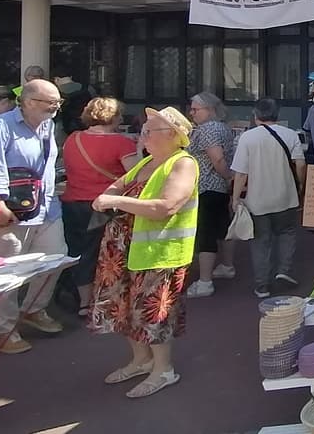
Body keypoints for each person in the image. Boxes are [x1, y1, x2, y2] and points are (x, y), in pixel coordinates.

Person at [89, 106, 198, 399]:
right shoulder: (146, 163)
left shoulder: (182, 163)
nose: (144, 135)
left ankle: (163, 369)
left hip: (159, 252)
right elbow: (118, 185)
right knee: (125, 309)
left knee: (154, 312)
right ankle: (141, 360)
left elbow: (167, 206)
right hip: (124, 249)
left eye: (151, 130)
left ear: (174, 136)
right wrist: (111, 195)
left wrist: (115, 201)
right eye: (144, 129)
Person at [0, 78, 67, 354]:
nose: (55, 107)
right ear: (27, 101)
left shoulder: (49, 126)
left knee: (56, 259)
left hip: (48, 208)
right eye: (50, 102)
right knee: (6, 272)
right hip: (11, 211)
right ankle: (2, 331)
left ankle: (33, 309)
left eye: (58, 102)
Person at [60, 97, 136, 316]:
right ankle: (110, 300)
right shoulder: (122, 143)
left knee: (79, 252)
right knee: (111, 253)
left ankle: (85, 303)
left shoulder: (72, 139)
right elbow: (134, 177)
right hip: (106, 205)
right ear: (114, 117)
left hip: (73, 202)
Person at [231, 99, 306, 299]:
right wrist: (300, 184)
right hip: (286, 197)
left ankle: (262, 285)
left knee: (260, 242)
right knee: (287, 233)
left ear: (255, 116)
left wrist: (235, 198)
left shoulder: (247, 138)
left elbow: (240, 173)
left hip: (258, 200)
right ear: (277, 115)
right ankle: (284, 270)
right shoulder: (290, 135)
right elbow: (300, 164)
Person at [186, 93, 238, 299]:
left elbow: (217, 159)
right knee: (223, 228)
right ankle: (227, 265)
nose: (192, 113)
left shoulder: (208, 130)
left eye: (195, 109)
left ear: (210, 109)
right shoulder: (223, 128)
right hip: (217, 187)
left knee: (206, 234)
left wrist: (227, 177)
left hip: (206, 186)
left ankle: (205, 281)